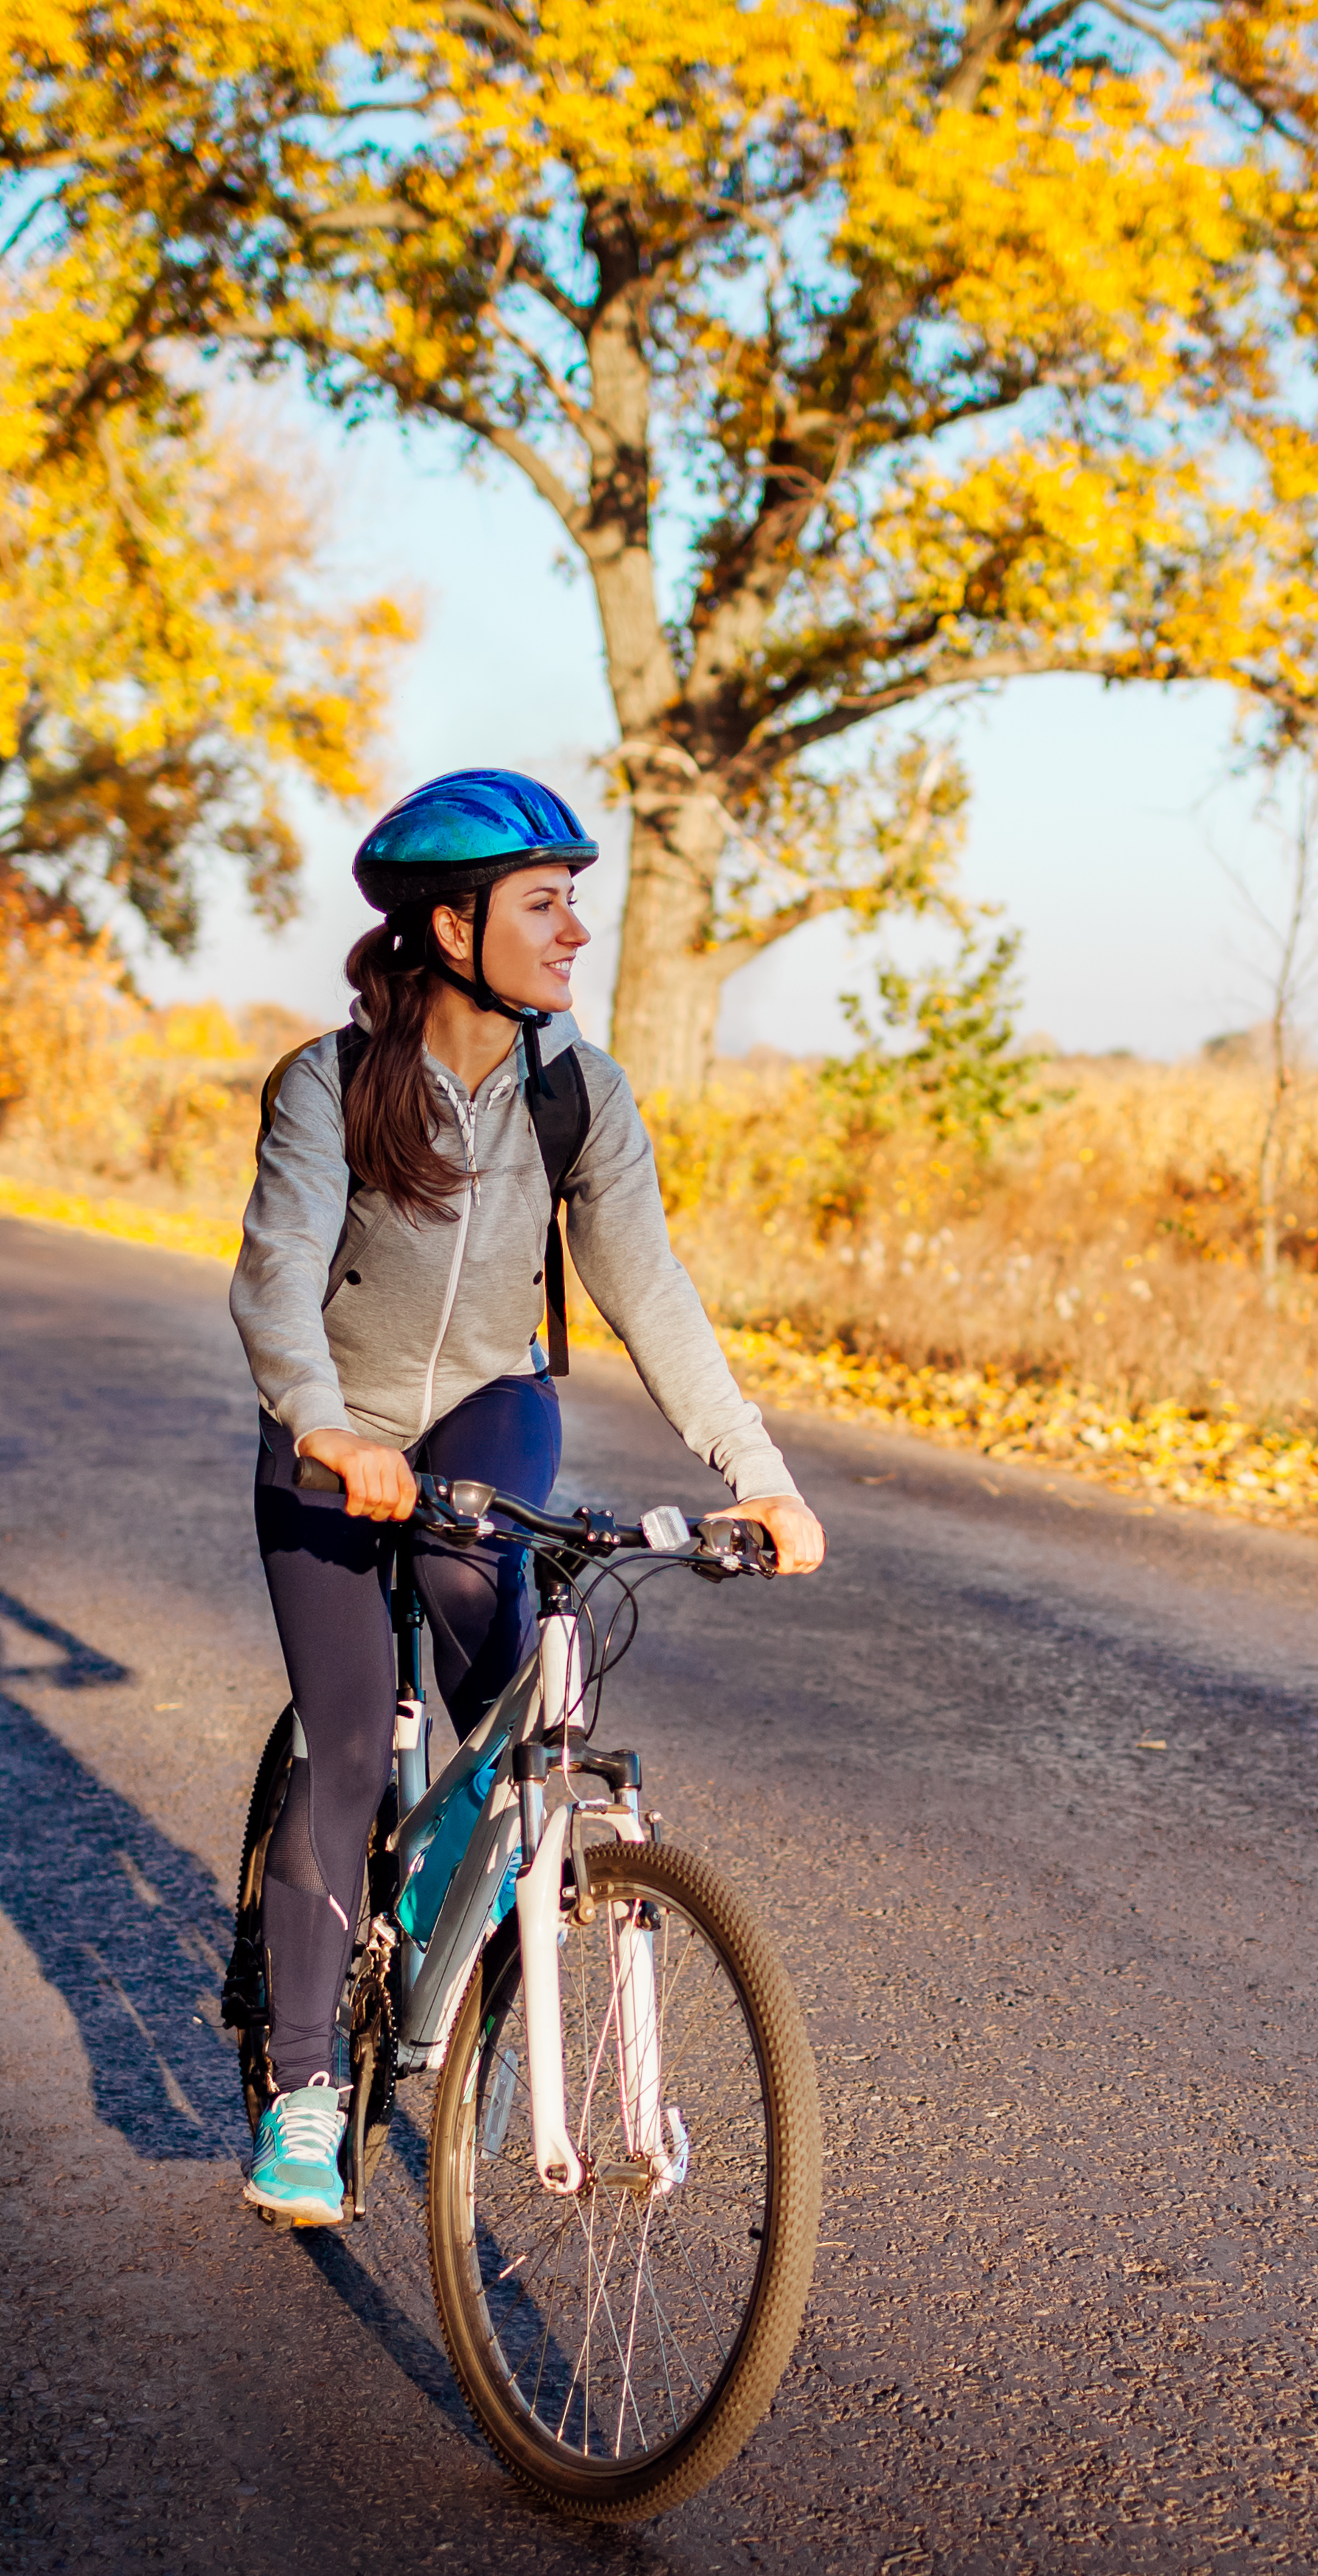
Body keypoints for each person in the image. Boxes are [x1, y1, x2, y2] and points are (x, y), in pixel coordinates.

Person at [225, 767, 824, 2225]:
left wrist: (757, 1470)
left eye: (575, 901)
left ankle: (478, 1947)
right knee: (355, 1742)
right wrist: (322, 1425)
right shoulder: (328, 1081)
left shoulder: (578, 1092)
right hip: (331, 1434)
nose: (574, 932)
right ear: (452, 922)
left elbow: (650, 1292)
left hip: (485, 1404)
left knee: (500, 1629)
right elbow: (274, 1276)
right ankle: (306, 2090)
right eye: (543, 904)